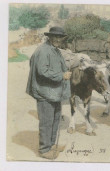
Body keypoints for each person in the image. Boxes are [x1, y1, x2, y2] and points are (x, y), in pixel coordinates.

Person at [26, 27, 72, 159]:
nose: (58, 39)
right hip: (44, 92)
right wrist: (61, 75)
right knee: (46, 121)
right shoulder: (43, 50)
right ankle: (44, 150)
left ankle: (51, 145)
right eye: (55, 37)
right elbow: (42, 71)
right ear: (49, 37)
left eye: (60, 37)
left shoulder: (54, 49)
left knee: (55, 119)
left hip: (53, 92)